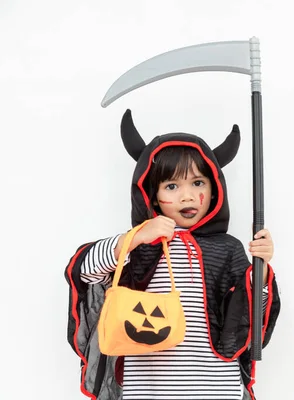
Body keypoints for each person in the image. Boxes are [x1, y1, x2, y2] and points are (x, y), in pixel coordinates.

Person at [64, 109, 281, 400]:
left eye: (198, 183)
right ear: (152, 194)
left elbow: (248, 314)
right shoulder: (140, 245)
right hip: (147, 386)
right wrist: (135, 238)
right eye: (172, 186)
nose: (187, 196)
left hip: (215, 385)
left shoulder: (226, 248)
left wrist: (261, 272)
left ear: (215, 189)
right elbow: (85, 272)